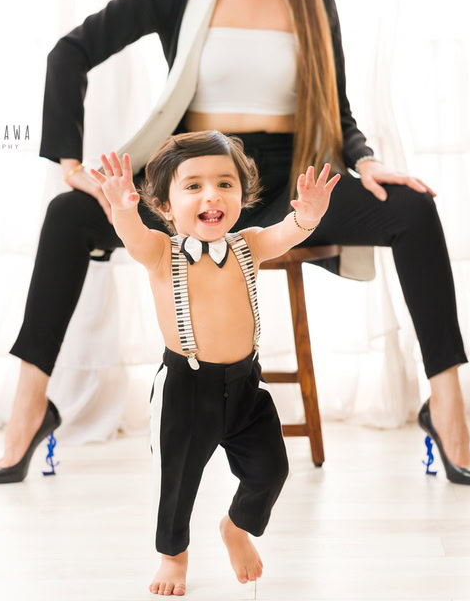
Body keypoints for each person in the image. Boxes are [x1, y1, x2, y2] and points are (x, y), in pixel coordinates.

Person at [0, 0, 470, 487]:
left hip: (288, 180)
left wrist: (364, 163)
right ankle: (27, 411)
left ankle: (447, 411)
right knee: (68, 215)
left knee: (413, 209)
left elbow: (337, 112)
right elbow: (69, 52)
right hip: (198, 182)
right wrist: (69, 160)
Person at [90, 134, 340, 596]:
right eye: (193, 187)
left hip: (245, 385)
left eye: (225, 183)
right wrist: (123, 208)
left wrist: (309, 214)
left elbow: (287, 232)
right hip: (186, 389)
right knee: (176, 481)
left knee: (271, 468)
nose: (211, 195)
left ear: (242, 197)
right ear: (165, 206)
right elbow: (133, 235)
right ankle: (173, 556)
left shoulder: (249, 245)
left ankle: (236, 526)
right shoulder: (161, 253)